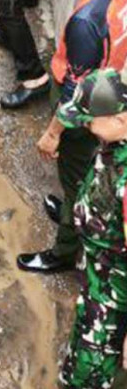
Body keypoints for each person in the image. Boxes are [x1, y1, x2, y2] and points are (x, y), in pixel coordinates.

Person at [18, 0, 127, 274]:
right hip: (111, 96)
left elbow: (74, 94)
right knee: (81, 173)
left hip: (87, 109)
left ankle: (64, 249)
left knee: (76, 176)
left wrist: (52, 134)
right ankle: (68, 210)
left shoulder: (86, 21)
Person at [55, 67, 127, 389]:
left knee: (89, 370)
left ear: (120, 119)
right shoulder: (116, 139)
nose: (85, 124)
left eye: (90, 119)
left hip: (114, 295)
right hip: (99, 271)